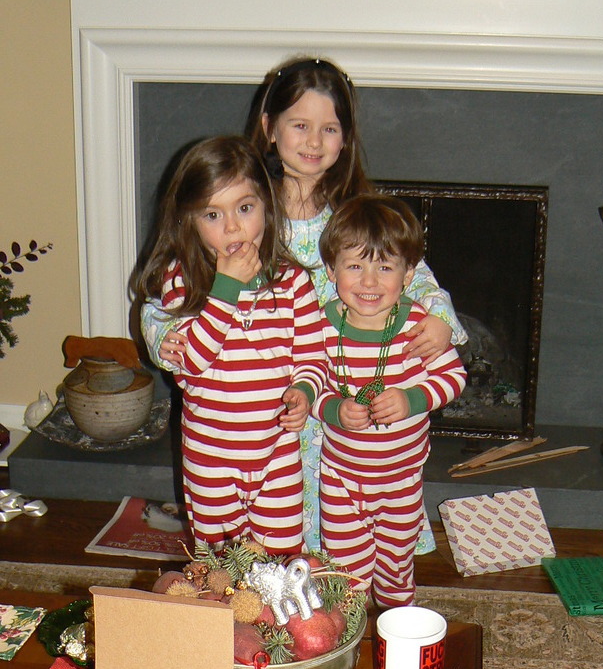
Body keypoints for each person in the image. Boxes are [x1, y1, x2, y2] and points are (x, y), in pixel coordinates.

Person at [141, 55, 467, 552]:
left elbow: (412, 272)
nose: (314, 141)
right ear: (269, 128)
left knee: (338, 546)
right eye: (300, 125)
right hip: (261, 420)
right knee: (257, 544)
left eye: (329, 128)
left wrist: (439, 316)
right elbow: (165, 299)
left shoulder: (356, 214)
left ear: (346, 138)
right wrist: (162, 335)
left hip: (340, 411)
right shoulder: (243, 206)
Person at [135, 135, 327, 552]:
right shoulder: (181, 280)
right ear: (189, 221)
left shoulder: (293, 282)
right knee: (219, 566)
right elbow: (192, 362)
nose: (233, 227)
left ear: (266, 207)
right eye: (212, 214)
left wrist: (305, 390)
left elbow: (313, 357)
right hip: (211, 460)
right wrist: (225, 289)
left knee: (281, 562)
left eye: (244, 208)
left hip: (276, 456)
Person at [313, 194, 467, 607]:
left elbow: (454, 377)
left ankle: (396, 629)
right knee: (345, 577)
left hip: (402, 482)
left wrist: (413, 399)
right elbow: (309, 385)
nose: (369, 282)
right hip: (342, 480)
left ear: (408, 273)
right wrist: (333, 408)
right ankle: (348, 634)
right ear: (331, 270)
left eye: (384, 267)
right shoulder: (321, 327)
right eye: (355, 266)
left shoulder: (418, 326)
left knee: (396, 569)